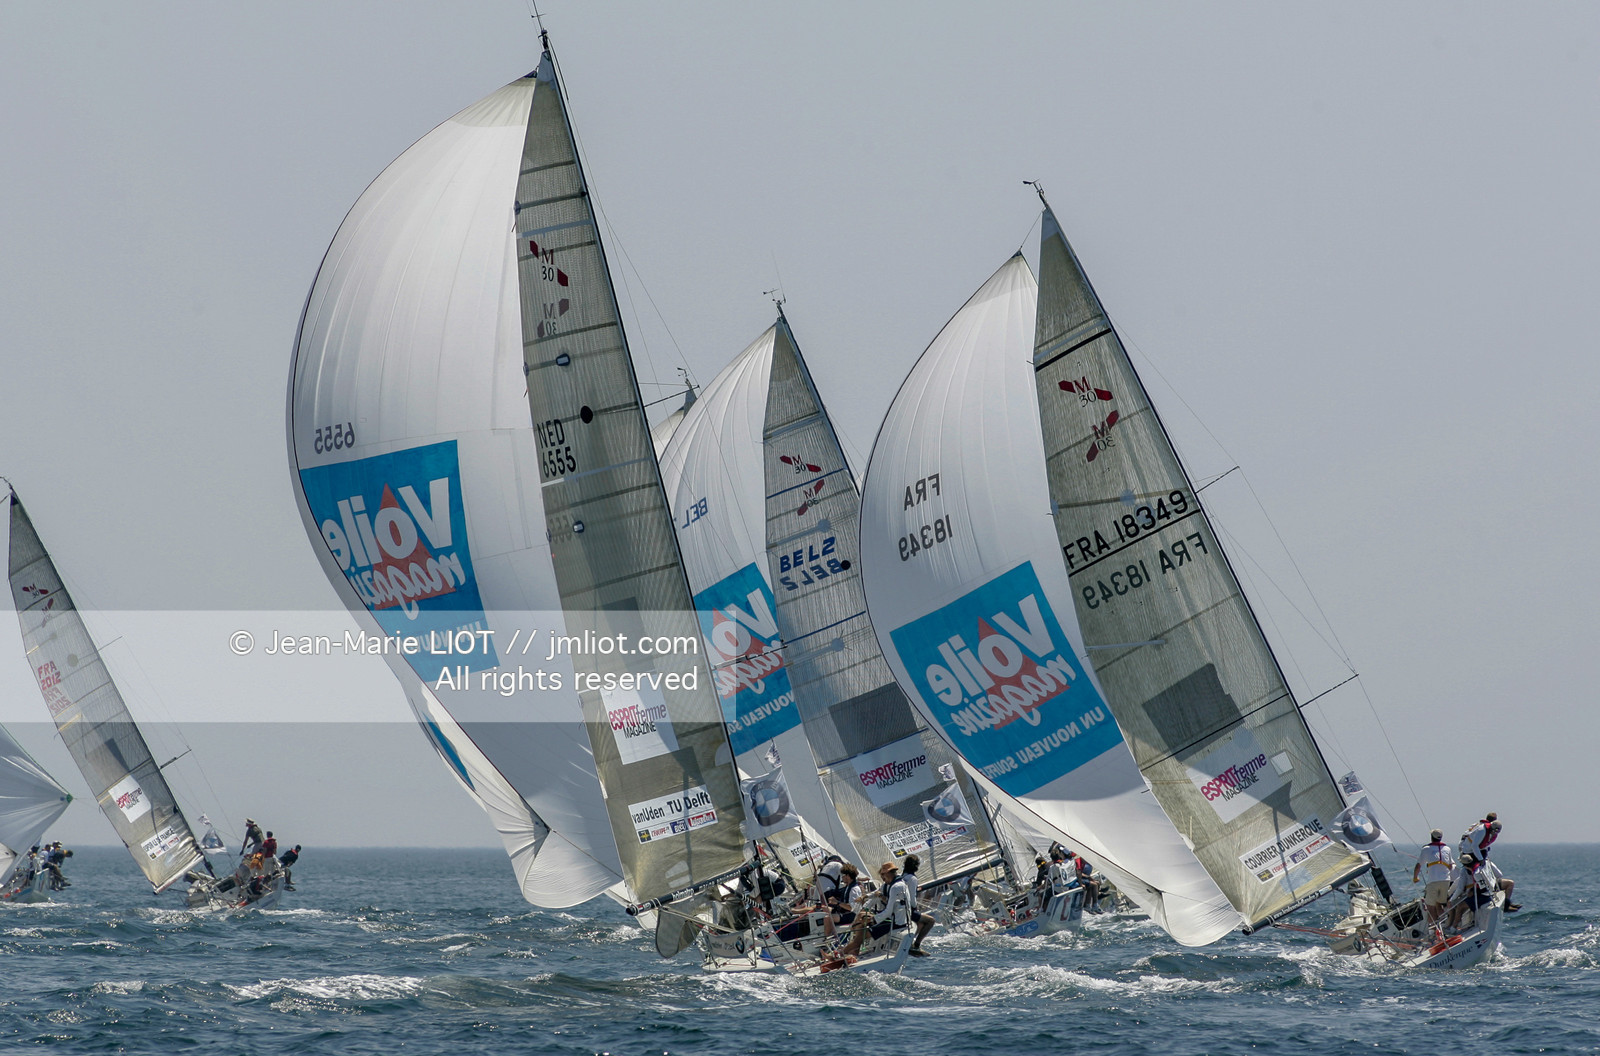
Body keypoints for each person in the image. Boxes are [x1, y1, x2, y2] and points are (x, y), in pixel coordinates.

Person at [842, 862, 912, 959]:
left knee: (861, 935)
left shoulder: (897, 887)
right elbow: (876, 892)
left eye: (883, 874)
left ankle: (837, 954)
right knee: (861, 922)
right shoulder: (888, 885)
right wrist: (865, 896)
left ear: (890, 873)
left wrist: (873, 919)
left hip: (895, 922)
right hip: (889, 918)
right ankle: (853, 953)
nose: (882, 877)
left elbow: (888, 910)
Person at [1412, 829, 1455, 923]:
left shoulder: (1426, 849)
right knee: (1439, 904)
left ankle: (1432, 930)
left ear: (1431, 837)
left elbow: (1418, 866)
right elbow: (1451, 866)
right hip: (1446, 881)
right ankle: (1444, 925)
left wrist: (1415, 877)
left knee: (1430, 907)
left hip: (1433, 881)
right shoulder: (1447, 849)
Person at [901, 854, 936, 957]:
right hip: (909, 910)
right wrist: (915, 907)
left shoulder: (902, 876)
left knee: (921, 923)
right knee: (931, 921)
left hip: (902, 909)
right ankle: (916, 945)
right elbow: (912, 898)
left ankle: (909, 944)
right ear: (916, 866)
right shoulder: (912, 878)